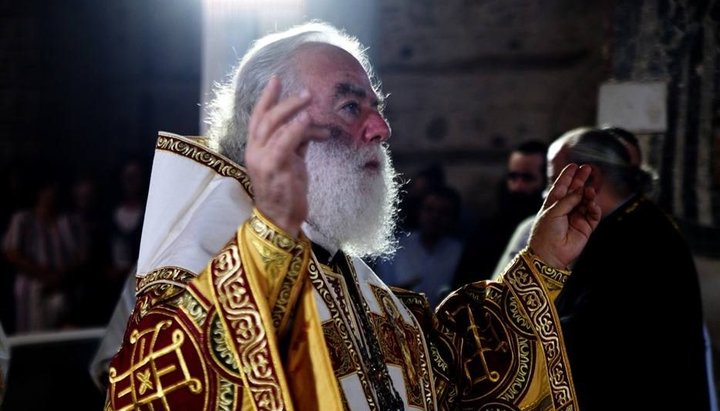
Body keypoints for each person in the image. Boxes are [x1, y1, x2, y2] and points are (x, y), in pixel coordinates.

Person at [104, 21, 600, 410]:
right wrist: (270, 237)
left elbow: (445, 377)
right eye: (350, 106)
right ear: (273, 125)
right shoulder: (200, 267)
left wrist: (539, 267)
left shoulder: (346, 273)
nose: (381, 128)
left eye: (376, 107)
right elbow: (176, 387)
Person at [540, 126, 711, 410]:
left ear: (589, 176)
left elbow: (595, 334)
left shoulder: (641, 238)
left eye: (552, 181)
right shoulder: (626, 224)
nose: (547, 197)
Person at [453, 139, 548, 286]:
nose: (517, 186)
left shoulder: (550, 232)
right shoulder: (487, 231)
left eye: (527, 178)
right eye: (513, 177)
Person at [374, 185, 464, 309]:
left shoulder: (459, 252)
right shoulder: (394, 248)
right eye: (429, 209)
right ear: (419, 211)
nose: (435, 217)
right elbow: (377, 293)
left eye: (443, 212)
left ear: (453, 218)